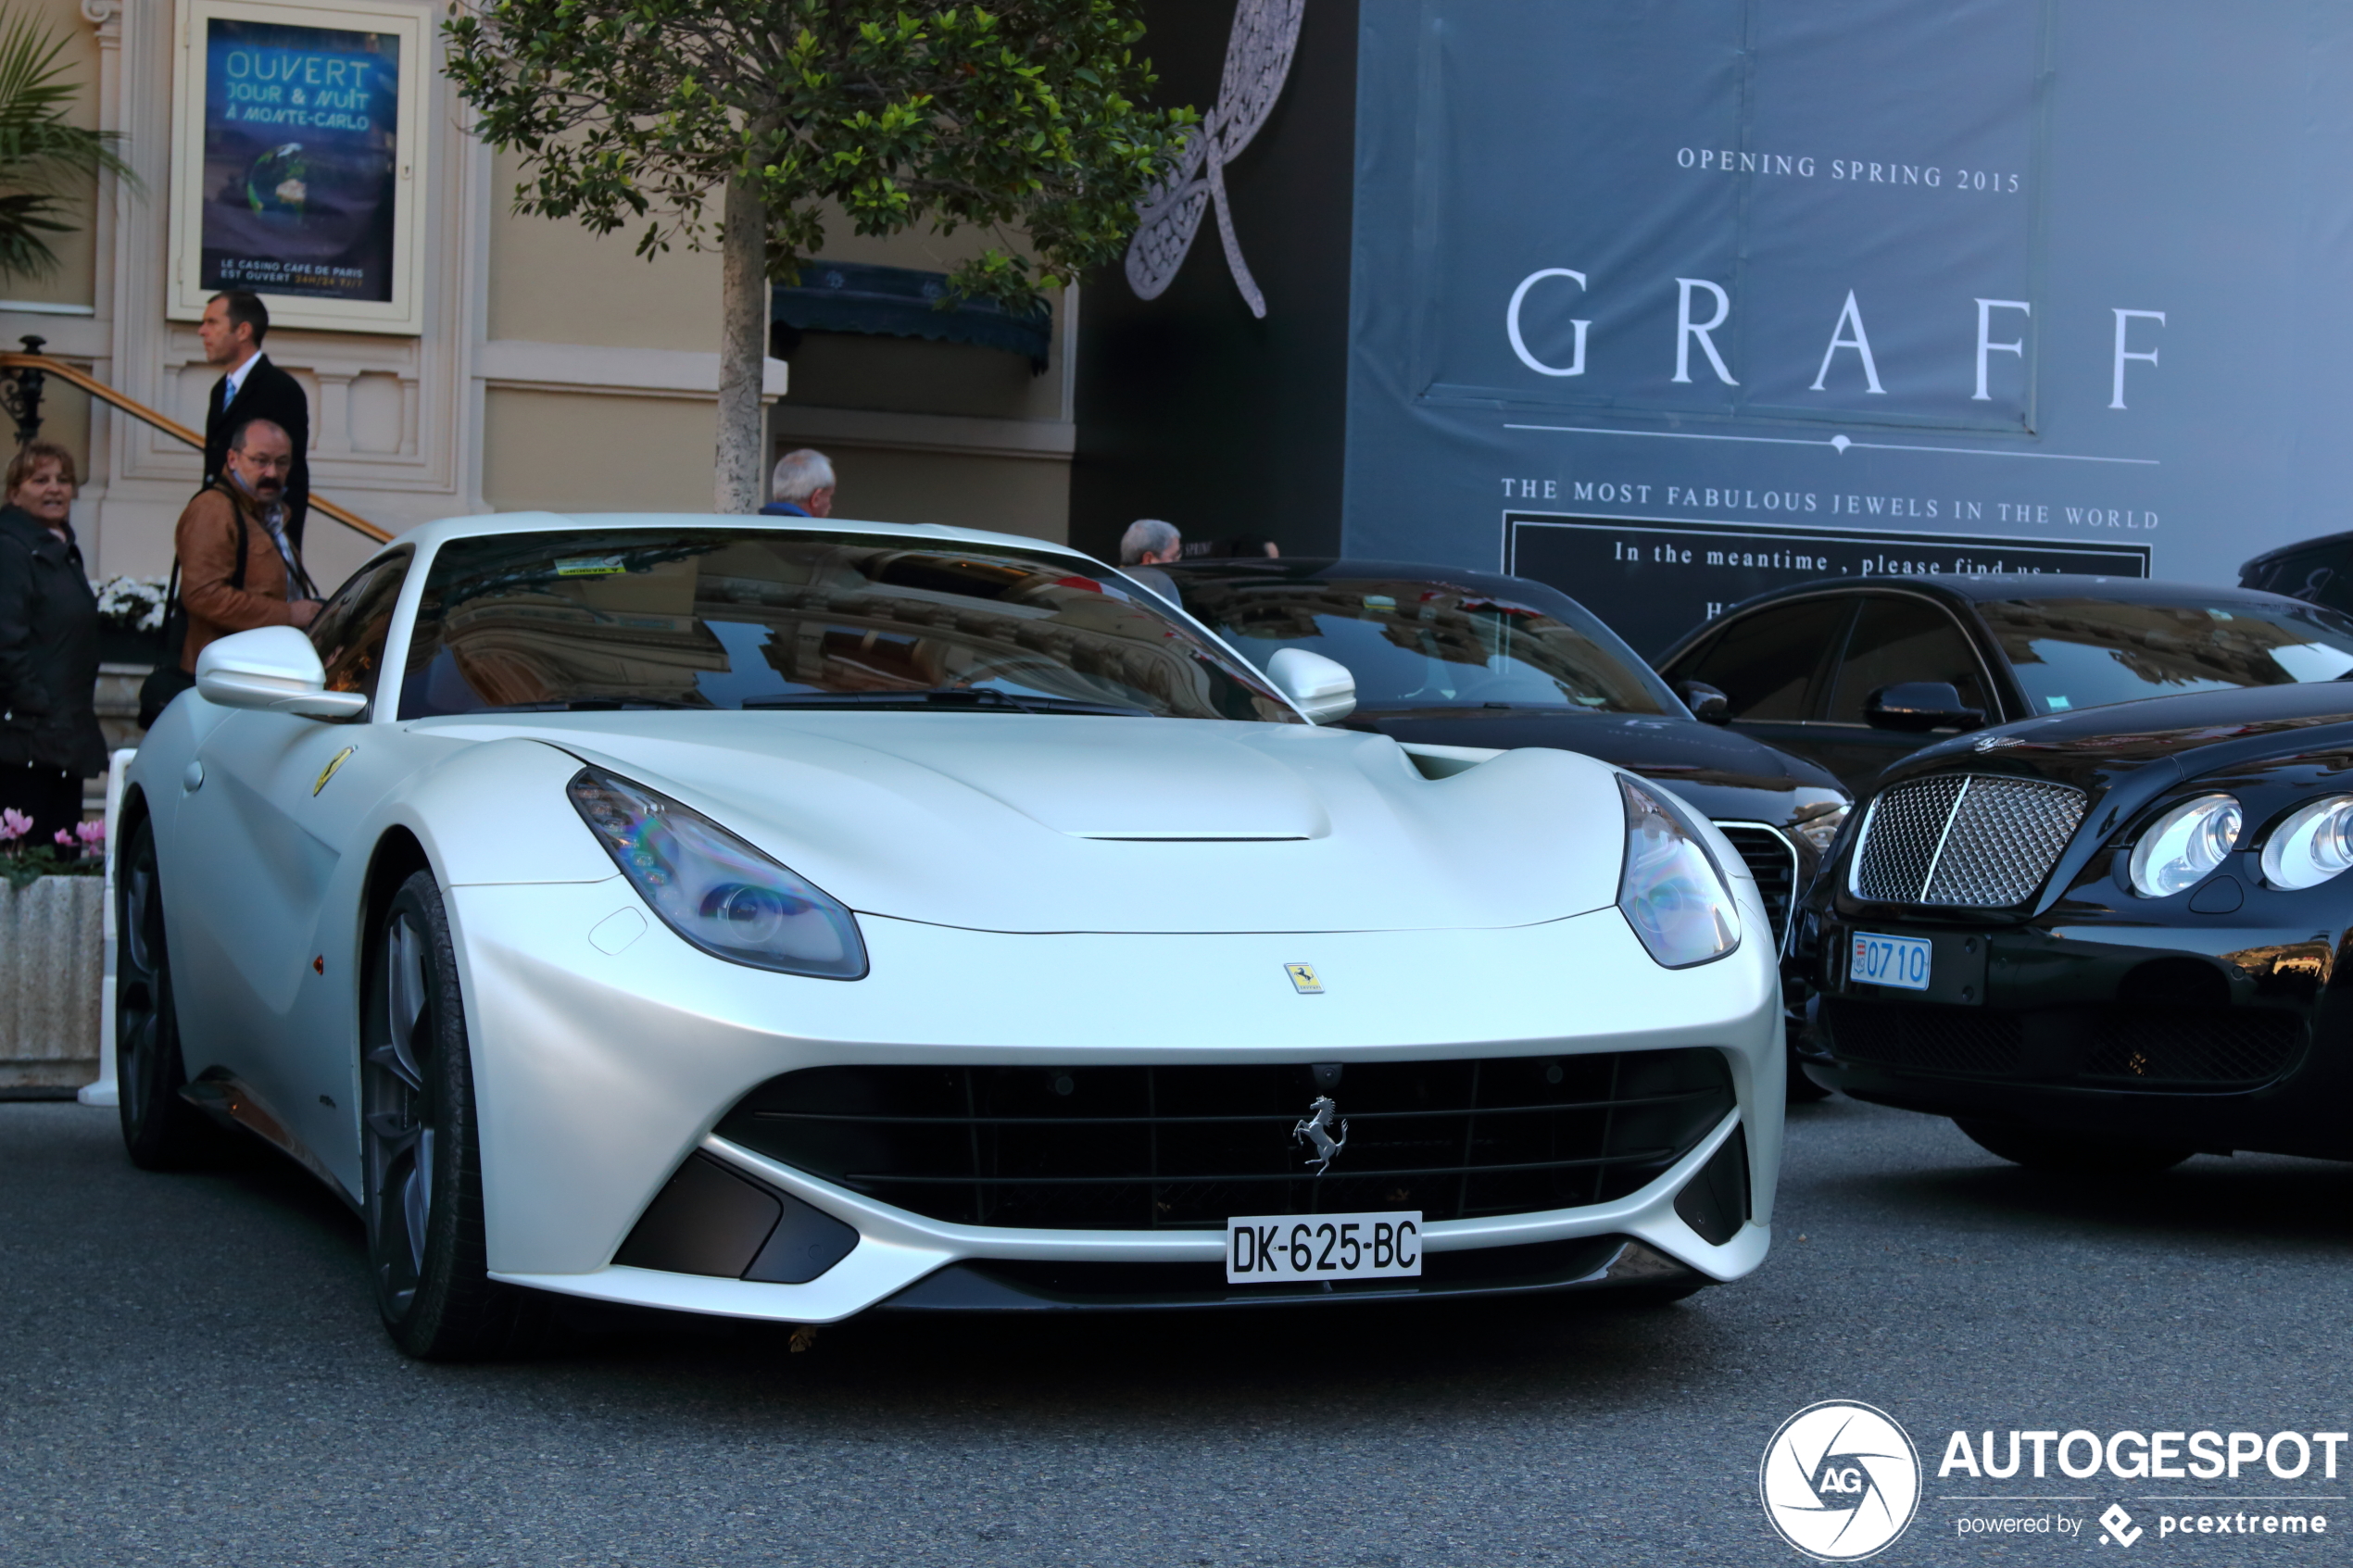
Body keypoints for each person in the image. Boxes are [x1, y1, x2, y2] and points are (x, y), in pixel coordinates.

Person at [0, 441, 103, 847]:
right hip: (28, 741)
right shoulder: (11, 549)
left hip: (60, 738)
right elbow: (6, 643)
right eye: (39, 480)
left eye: (63, 479)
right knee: (28, 863)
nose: (55, 489)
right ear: (14, 493)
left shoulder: (59, 547)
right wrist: (40, 706)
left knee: (60, 859)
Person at [175, 418, 321, 674]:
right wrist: (287, 615)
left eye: (282, 462)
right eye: (261, 461)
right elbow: (202, 596)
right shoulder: (213, 509)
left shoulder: (267, 511)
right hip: (226, 678)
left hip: (256, 670)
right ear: (233, 459)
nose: (272, 473)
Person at [199, 290, 311, 548]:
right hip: (220, 532)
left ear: (243, 331)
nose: (202, 331)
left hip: (258, 542)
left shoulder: (281, 389)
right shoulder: (220, 391)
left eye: (212, 322)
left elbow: (290, 476)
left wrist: (279, 544)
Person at [1118, 518, 1184, 603]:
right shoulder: (1152, 602)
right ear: (1148, 559)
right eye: (1174, 557)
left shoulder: (1109, 587)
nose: (1178, 562)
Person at [761, 449, 836, 517]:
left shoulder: (755, 527)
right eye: (829, 496)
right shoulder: (810, 531)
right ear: (816, 499)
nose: (830, 506)